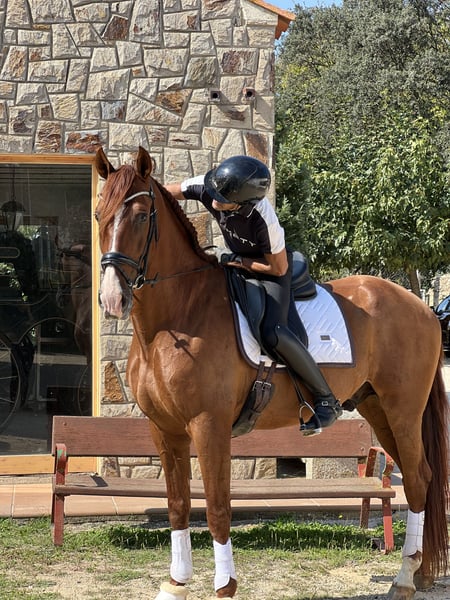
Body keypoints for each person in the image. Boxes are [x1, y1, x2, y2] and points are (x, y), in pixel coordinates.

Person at [166, 155, 343, 435]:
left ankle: (326, 401)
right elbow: (167, 191)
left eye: (223, 201)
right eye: (214, 195)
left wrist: (238, 260)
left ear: (244, 203)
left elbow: (277, 267)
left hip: (271, 269)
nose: (214, 203)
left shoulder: (264, 220)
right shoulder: (211, 186)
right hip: (237, 261)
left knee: (272, 332)